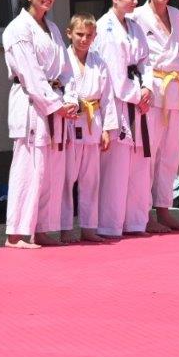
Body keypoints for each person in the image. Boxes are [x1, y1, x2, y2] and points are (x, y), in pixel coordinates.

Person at [2, 0, 74, 248]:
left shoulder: (52, 28)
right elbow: (31, 75)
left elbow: (66, 71)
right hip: (32, 105)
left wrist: (71, 99)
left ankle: (41, 229)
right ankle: (16, 233)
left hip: (55, 103)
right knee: (29, 168)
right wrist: (56, 105)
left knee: (50, 171)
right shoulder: (18, 29)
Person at [94, 0, 155, 238]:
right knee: (116, 169)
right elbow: (116, 78)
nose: (135, 1)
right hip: (116, 102)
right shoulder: (105, 29)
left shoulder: (134, 26)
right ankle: (110, 225)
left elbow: (146, 60)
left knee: (139, 167)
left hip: (137, 98)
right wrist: (138, 95)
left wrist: (148, 87)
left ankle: (136, 222)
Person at [132, 0, 179, 232]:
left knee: (170, 153)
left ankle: (164, 209)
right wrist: (142, 85)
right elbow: (135, 55)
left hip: (173, 88)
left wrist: (176, 73)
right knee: (149, 153)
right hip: (151, 88)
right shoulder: (137, 16)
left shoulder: (177, 16)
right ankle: (144, 213)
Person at [61, 14, 117, 243]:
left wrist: (107, 129)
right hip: (70, 123)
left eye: (89, 35)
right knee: (67, 180)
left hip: (94, 125)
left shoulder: (99, 62)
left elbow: (108, 97)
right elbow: (58, 89)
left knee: (91, 180)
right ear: (69, 33)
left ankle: (89, 227)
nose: (84, 39)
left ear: (95, 36)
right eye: (79, 34)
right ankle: (65, 227)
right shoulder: (63, 60)